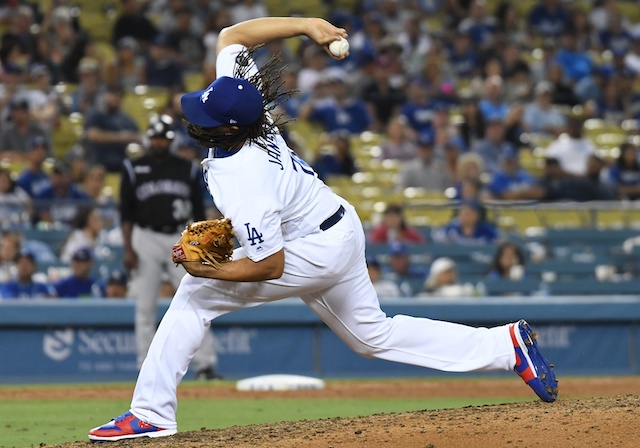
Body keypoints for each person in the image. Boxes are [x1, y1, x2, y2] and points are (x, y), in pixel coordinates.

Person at [88, 16, 558, 442]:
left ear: (227, 130)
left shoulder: (245, 180)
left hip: (311, 247)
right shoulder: (249, 110)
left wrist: (211, 272)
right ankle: (506, 345)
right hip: (336, 225)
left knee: (193, 294)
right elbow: (232, 37)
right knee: (372, 336)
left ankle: (150, 412)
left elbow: (270, 265)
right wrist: (306, 24)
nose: (196, 119)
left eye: (205, 118)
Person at [119, 114, 220, 379]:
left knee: (196, 299)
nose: (159, 142)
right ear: (148, 139)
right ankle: (145, 367)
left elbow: (198, 213)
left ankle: (205, 365)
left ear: (170, 140)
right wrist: (129, 249)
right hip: (146, 237)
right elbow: (125, 214)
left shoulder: (186, 167)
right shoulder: (133, 167)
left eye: (163, 138)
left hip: (180, 235)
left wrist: (199, 246)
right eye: (155, 137)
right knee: (145, 306)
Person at [83, 84, 141, 173]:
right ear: (105, 95)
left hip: (123, 164)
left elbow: (138, 137)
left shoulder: (127, 120)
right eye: (112, 94)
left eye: (118, 96)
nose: (114, 98)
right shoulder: (97, 115)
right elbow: (93, 135)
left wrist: (131, 137)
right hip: (99, 163)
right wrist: (121, 137)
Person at [433, 199, 499, 246]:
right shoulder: (452, 227)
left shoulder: (485, 228)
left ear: (477, 215)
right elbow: (439, 239)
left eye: (469, 214)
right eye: (463, 213)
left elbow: (498, 241)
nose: (465, 216)